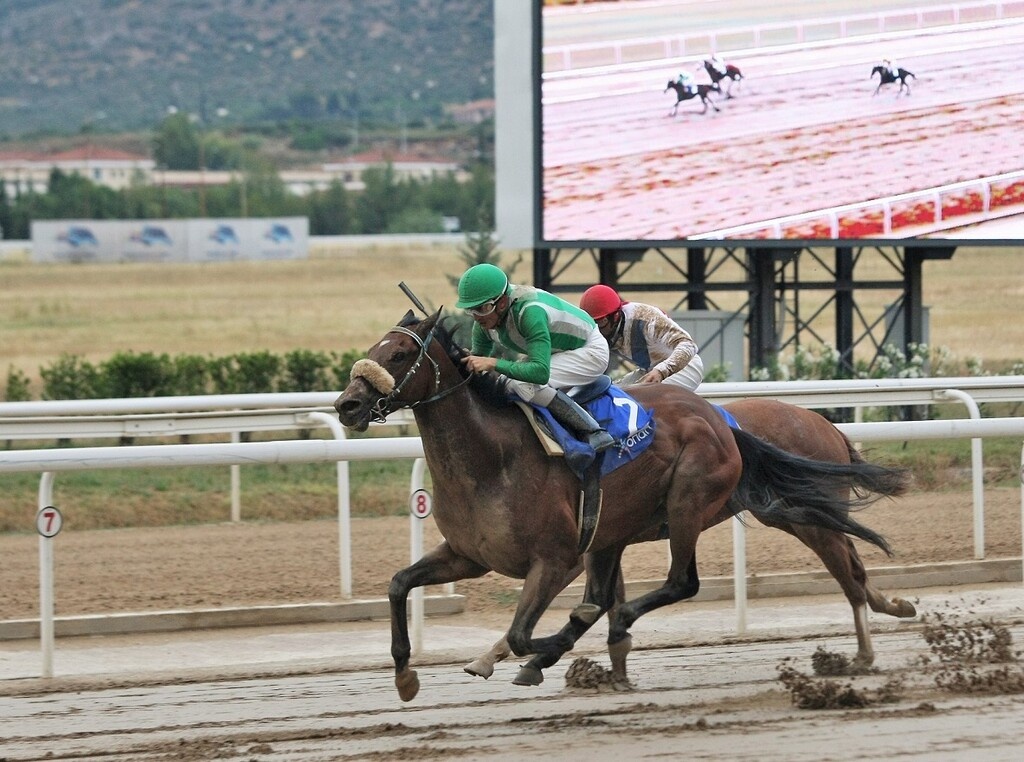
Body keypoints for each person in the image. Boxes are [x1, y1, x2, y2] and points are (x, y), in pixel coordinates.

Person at [455, 263, 615, 456]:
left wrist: (494, 363)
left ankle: (592, 430)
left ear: (503, 302)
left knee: (522, 383)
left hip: (590, 351)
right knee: (505, 384)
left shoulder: (531, 313)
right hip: (559, 350)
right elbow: (477, 363)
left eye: (482, 308)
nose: (476, 317)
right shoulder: (484, 323)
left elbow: (539, 372)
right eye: (471, 310)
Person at [579, 284, 704, 391]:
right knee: (612, 393)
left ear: (616, 316)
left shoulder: (645, 318)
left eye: (601, 323)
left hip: (687, 367)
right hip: (650, 370)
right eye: (592, 325)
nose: (597, 331)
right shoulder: (599, 329)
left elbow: (689, 345)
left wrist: (661, 371)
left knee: (641, 397)